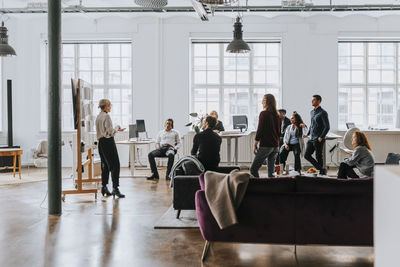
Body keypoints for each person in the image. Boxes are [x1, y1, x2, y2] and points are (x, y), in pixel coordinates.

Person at [95, 99, 125, 198]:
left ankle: (104, 187)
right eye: (110, 105)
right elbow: (110, 131)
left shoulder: (98, 117)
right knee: (115, 165)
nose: (110, 107)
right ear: (106, 106)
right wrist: (117, 128)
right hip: (108, 142)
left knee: (105, 166)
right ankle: (115, 188)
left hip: (101, 144)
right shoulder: (106, 116)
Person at [250, 94, 281, 178]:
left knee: (253, 169)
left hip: (266, 145)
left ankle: (258, 187)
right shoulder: (278, 115)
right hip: (275, 145)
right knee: (271, 171)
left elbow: (260, 130)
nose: (262, 102)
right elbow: (279, 132)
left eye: (264, 100)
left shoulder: (263, 114)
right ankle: (272, 188)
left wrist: (255, 143)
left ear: (268, 102)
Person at [303, 94, 330, 175]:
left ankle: (321, 173)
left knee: (318, 156)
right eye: (312, 100)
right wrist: (307, 134)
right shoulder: (312, 112)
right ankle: (321, 170)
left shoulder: (323, 112)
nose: (312, 101)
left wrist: (321, 137)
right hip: (311, 138)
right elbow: (311, 124)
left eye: (314, 100)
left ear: (319, 101)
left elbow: (327, 126)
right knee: (307, 155)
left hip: (318, 138)